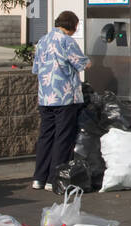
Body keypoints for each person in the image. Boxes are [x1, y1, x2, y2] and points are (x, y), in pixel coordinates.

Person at [31, 10, 91, 190]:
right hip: (64, 97)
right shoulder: (67, 41)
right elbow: (83, 63)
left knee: (45, 137)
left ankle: (38, 178)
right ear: (72, 25)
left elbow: (35, 68)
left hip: (45, 97)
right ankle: (53, 179)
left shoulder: (42, 40)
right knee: (62, 138)